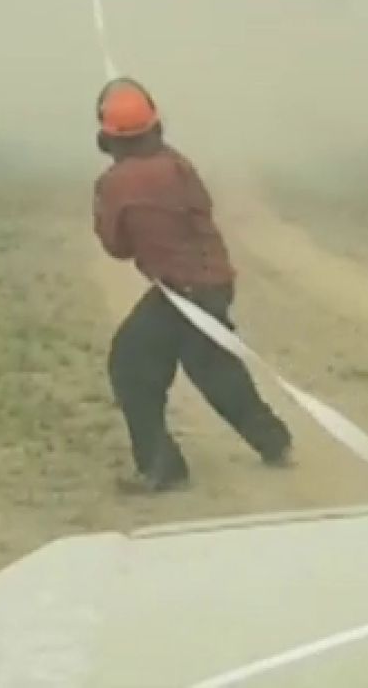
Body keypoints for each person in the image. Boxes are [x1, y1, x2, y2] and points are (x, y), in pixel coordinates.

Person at [91, 77, 293, 493]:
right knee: (214, 368)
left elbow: (117, 247)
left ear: (107, 139)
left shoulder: (114, 184)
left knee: (131, 366)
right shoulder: (179, 165)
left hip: (180, 294)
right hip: (213, 284)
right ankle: (273, 440)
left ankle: (162, 466)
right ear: (156, 127)